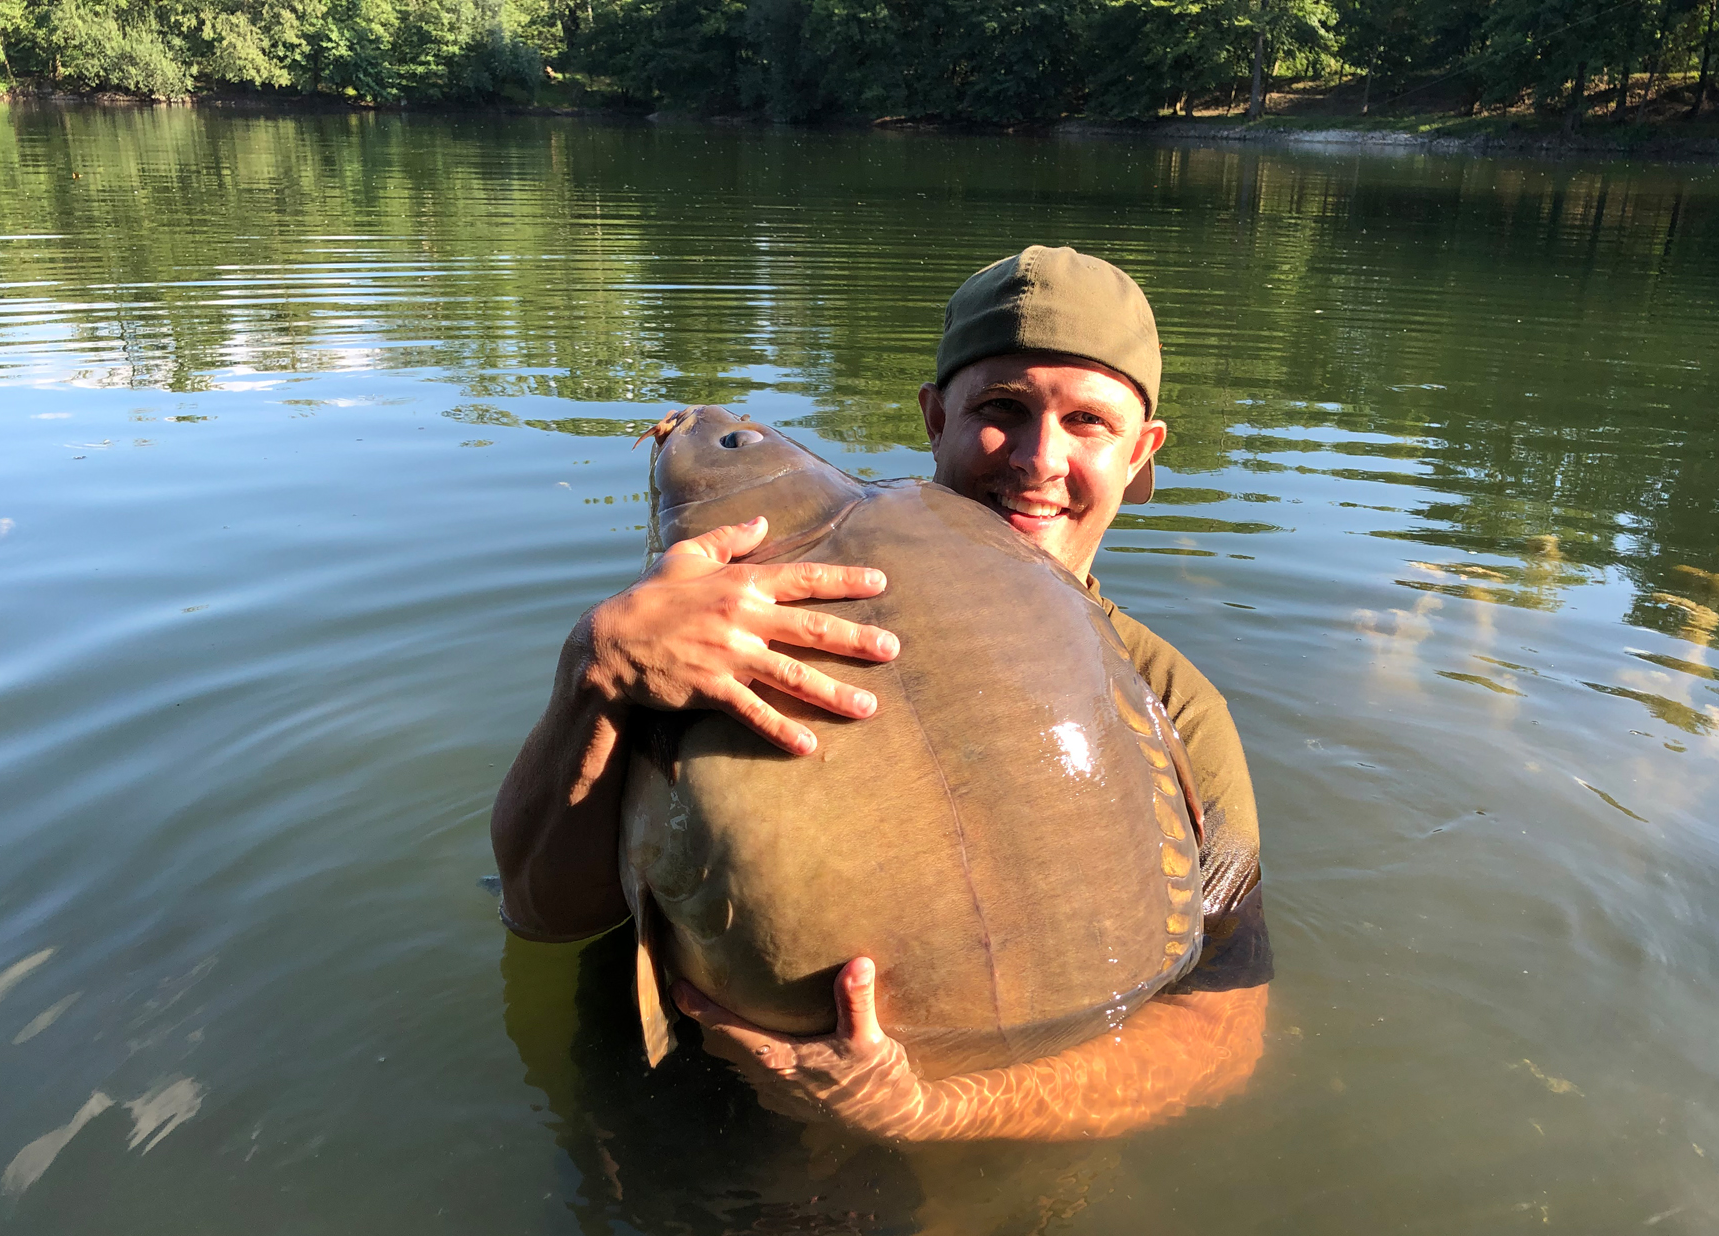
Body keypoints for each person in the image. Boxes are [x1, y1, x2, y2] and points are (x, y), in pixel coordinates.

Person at [492, 246, 1272, 1144]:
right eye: (1001, 410)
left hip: (983, 1186)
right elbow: (542, 917)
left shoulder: (1177, 702)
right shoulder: (721, 610)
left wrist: (935, 1109)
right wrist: (598, 670)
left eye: (1087, 422)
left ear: (1141, 456)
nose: (1037, 459)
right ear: (935, 417)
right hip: (671, 1126)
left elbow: (1218, 1037)